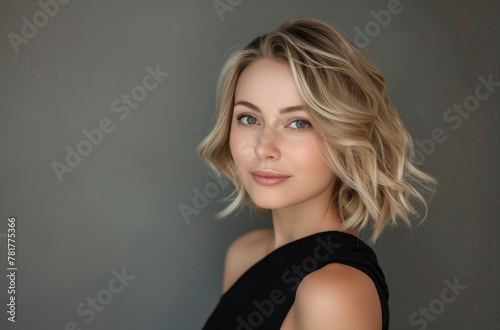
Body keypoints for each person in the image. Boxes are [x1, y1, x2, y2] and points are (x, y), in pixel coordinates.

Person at [197, 17, 439, 330]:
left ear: (347, 138)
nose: (263, 148)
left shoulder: (331, 293)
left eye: (298, 123)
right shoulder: (244, 253)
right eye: (248, 118)